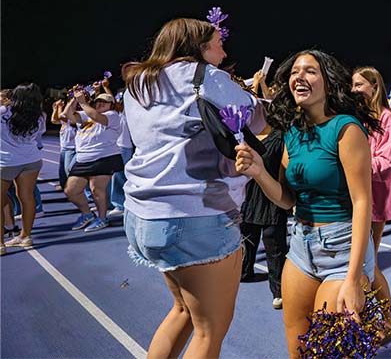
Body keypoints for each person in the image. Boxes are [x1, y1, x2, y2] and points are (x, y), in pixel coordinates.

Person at [122, 18, 262, 358]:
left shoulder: (138, 83)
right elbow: (253, 118)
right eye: (218, 44)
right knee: (209, 330)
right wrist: (255, 95)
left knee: (182, 311)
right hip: (196, 216)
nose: (223, 52)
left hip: (143, 214)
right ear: (198, 47)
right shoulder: (208, 76)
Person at [235, 50, 379, 359]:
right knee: (297, 349)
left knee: (327, 351)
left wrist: (354, 278)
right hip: (301, 247)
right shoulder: (292, 132)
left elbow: (362, 202)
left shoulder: (346, 129)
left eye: (310, 71)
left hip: (343, 250)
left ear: (329, 82)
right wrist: (259, 172)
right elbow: (287, 199)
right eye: (294, 72)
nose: (299, 77)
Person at [351, 66, 391, 338]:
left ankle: (385, 319)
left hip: (374, 199)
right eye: (352, 85)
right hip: (352, 198)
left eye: (359, 85)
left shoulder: (386, 117)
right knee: (359, 263)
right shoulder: (353, 116)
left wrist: (354, 165)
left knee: (366, 264)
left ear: (374, 86)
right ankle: (379, 318)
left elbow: (386, 161)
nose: (354, 90)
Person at [240, 71, 288, 310]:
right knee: (246, 241)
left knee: (274, 246)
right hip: (248, 197)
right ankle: (244, 271)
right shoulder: (243, 134)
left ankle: (278, 290)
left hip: (271, 197)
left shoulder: (281, 135)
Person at [62, 90, 123, 232]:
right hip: (83, 159)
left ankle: (102, 218)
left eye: (104, 102)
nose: (100, 103)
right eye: (98, 101)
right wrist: (74, 99)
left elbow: (96, 116)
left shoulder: (112, 115)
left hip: (103, 157)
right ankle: (87, 214)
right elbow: (67, 114)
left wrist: (83, 102)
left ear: (111, 105)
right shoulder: (86, 115)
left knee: (96, 190)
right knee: (71, 191)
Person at [0, 83, 46, 253]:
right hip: (31, 160)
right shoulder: (40, 116)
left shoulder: (4, 111)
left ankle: (0, 244)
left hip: (6, 162)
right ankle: (25, 236)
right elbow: (38, 134)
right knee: (27, 198)